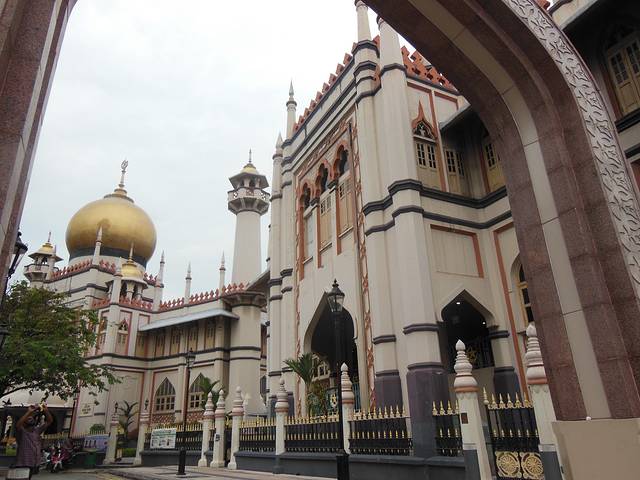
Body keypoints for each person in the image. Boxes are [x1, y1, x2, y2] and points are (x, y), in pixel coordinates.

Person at [15, 404, 53, 474]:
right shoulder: (22, 432)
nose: (31, 419)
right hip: (23, 463)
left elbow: (49, 421)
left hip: (34, 463)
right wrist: (29, 412)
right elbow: (18, 425)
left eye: (31, 418)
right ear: (24, 422)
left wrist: (46, 410)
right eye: (28, 419)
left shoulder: (37, 431)